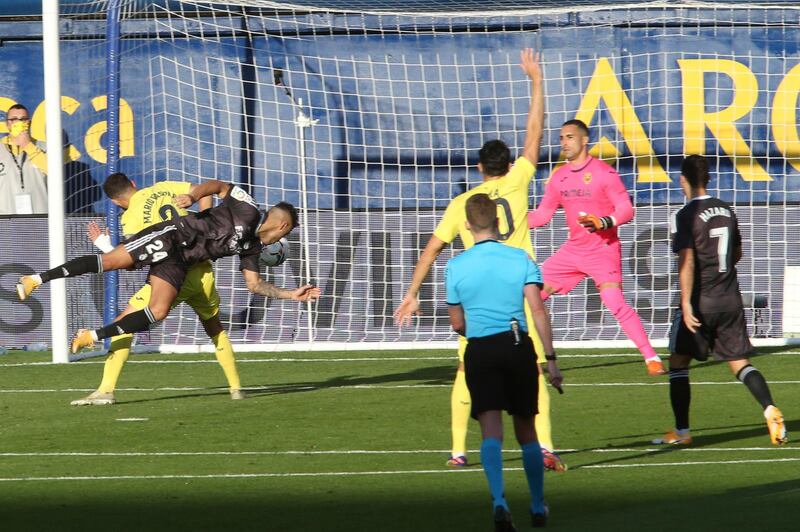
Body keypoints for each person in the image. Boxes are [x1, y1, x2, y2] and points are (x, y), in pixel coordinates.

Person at [394, 49, 566, 472]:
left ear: (477, 168)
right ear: (509, 166)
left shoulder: (462, 204)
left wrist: (412, 293)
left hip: (477, 291)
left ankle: (458, 449)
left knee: (467, 366)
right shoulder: (521, 179)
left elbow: (432, 249)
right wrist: (537, 81)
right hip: (519, 282)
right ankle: (544, 446)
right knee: (533, 361)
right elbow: (534, 133)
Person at [17, 179, 320, 351]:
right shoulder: (249, 208)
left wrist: (291, 294)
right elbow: (217, 186)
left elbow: (254, 284)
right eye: (288, 232)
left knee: (157, 312)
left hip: (182, 260)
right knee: (111, 262)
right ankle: (35, 279)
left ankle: (90, 336)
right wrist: (193, 194)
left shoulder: (251, 248)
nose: (283, 238)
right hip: (173, 236)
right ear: (281, 227)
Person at [70, 173, 246, 406]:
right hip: (202, 272)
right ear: (133, 183)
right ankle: (236, 388)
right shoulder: (166, 187)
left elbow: (132, 260)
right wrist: (203, 219)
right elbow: (205, 190)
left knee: (123, 325)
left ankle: (105, 390)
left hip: (170, 278)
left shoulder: (130, 218)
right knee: (214, 328)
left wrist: (103, 244)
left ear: (114, 202)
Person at [446, 193, 562, 531]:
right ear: (498, 222)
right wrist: (551, 359)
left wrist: (478, 330)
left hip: (480, 349)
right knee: (526, 431)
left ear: (467, 225)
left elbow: (456, 323)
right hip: (516, 346)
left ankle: (499, 502)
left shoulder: (456, 265)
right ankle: (538, 505)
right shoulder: (519, 258)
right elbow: (538, 310)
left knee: (490, 430)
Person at [653, 154, 787, 446]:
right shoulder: (725, 209)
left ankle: (683, 433)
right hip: (729, 298)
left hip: (702, 302)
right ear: (709, 179)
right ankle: (769, 408)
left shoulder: (685, 215)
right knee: (740, 363)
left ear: (682, 180)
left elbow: (687, 260)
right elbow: (737, 252)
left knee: (678, 363)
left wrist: (686, 303)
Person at [527, 119, 665, 376]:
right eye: (561, 138)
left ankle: (651, 357)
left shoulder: (604, 173)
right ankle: (532, 358)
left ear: (583, 140)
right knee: (529, 298)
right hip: (573, 251)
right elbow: (543, 215)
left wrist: (603, 222)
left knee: (614, 301)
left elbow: (626, 209)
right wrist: (509, 222)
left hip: (603, 249)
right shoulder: (559, 177)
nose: (564, 143)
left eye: (569, 137)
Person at [0, 104, 48, 214]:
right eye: (14, 119)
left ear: (29, 122)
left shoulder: (44, 147)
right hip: (5, 219)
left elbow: (55, 173)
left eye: (23, 119)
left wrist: (27, 145)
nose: (19, 123)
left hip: (40, 217)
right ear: (7, 124)